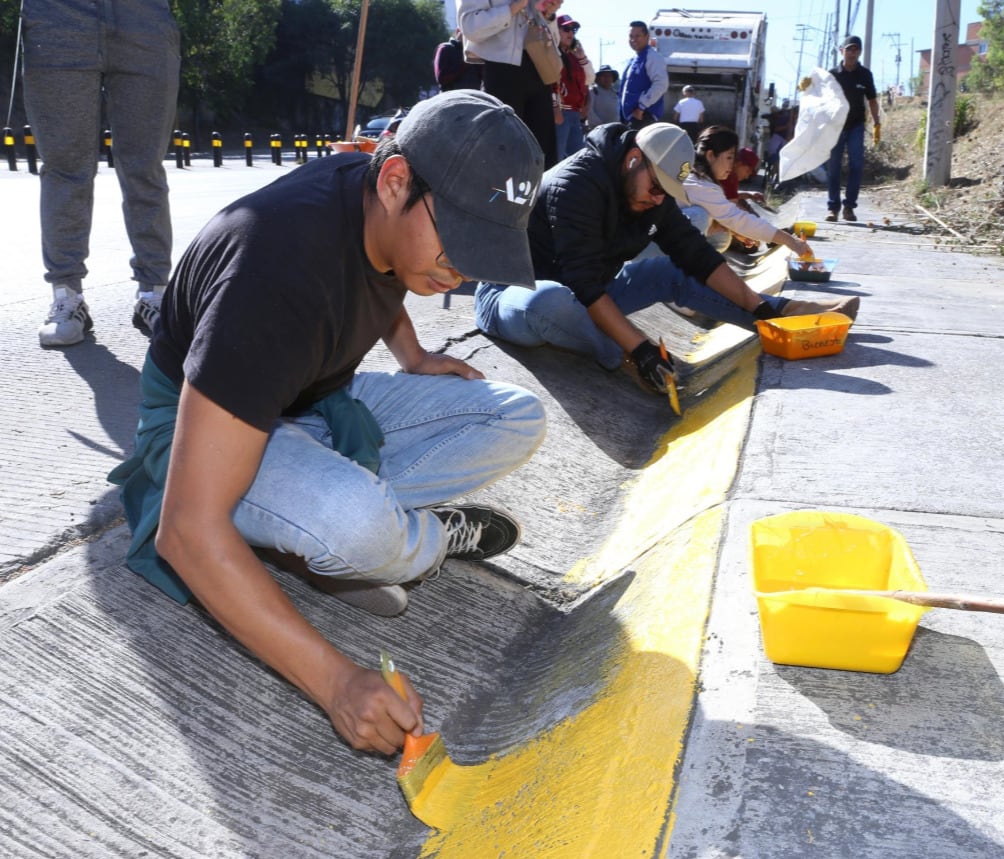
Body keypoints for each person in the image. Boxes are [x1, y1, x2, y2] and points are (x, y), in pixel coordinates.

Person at [107, 91, 547, 757]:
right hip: (199, 425)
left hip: (309, 402)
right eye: (459, 242)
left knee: (515, 416)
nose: (462, 273)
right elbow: (186, 531)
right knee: (356, 521)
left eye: (484, 251)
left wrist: (415, 356)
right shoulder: (277, 267)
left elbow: (386, 276)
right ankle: (405, 540)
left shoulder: (376, 198)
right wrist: (338, 683)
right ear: (396, 180)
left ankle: (320, 539)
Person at [472, 122, 858, 396]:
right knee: (550, 301)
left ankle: (779, 315)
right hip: (515, 294)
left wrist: (754, 304)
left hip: (589, 295)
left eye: (665, 193)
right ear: (633, 160)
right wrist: (639, 349)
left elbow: (697, 256)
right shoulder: (575, 184)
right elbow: (584, 286)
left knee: (671, 269)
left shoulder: (654, 192)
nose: (658, 199)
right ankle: (624, 357)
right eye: (656, 188)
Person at [25, 0, 180, 347]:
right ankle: (67, 296)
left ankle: (154, 295)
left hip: (145, 17)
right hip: (56, 17)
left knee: (145, 168)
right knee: (65, 167)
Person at [459, 0, 560, 167]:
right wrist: (516, 6)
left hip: (539, 68)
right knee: (501, 157)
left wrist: (548, 14)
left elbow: (554, 42)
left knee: (544, 160)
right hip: (501, 70)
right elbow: (470, 27)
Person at [684, 126, 811, 257]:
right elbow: (738, 219)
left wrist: (737, 232)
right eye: (729, 157)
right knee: (699, 217)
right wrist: (791, 241)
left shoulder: (704, 181)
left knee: (720, 236)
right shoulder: (700, 185)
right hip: (663, 243)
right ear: (710, 155)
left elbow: (732, 217)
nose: (732, 164)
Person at [826, 35, 881, 222]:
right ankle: (833, 208)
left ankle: (849, 207)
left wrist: (877, 123)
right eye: (849, 49)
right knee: (834, 167)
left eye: (856, 49)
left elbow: (872, 100)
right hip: (836, 127)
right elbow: (821, 99)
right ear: (842, 51)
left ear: (860, 52)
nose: (852, 52)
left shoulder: (865, 75)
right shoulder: (832, 74)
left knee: (856, 166)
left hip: (856, 125)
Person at [554, 14, 593, 161]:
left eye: (573, 29)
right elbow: (551, 83)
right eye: (566, 28)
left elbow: (589, 79)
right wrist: (555, 108)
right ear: (556, 30)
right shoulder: (553, 53)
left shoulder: (575, 56)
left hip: (575, 115)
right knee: (558, 160)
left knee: (577, 160)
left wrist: (582, 58)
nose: (571, 32)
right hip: (560, 113)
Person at [618, 20, 668, 129]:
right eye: (631, 36)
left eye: (637, 36)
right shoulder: (633, 60)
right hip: (630, 118)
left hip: (643, 117)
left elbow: (661, 84)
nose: (633, 39)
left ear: (647, 36)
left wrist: (641, 107)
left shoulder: (653, 57)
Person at [587, 64, 620, 129]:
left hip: (614, 130)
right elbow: (589, 111)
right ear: (598, 78)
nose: (607, 78)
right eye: (604, 76)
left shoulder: (615, 93)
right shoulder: (593, 91)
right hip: (597, 131)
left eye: (609, 76)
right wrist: (601, 127)